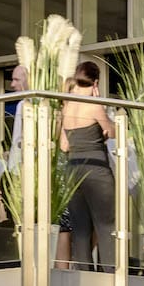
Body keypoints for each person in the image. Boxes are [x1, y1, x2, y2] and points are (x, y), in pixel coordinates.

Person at [57, 60, 118, 270]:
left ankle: (84, 279)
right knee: (106, 226)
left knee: (80, 229)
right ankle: (111, 277)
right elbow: (111, 132)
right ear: (96, 82)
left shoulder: (67, 106)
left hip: (73, 169)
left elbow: (64, 146)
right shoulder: (94, 104)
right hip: (96, 169)